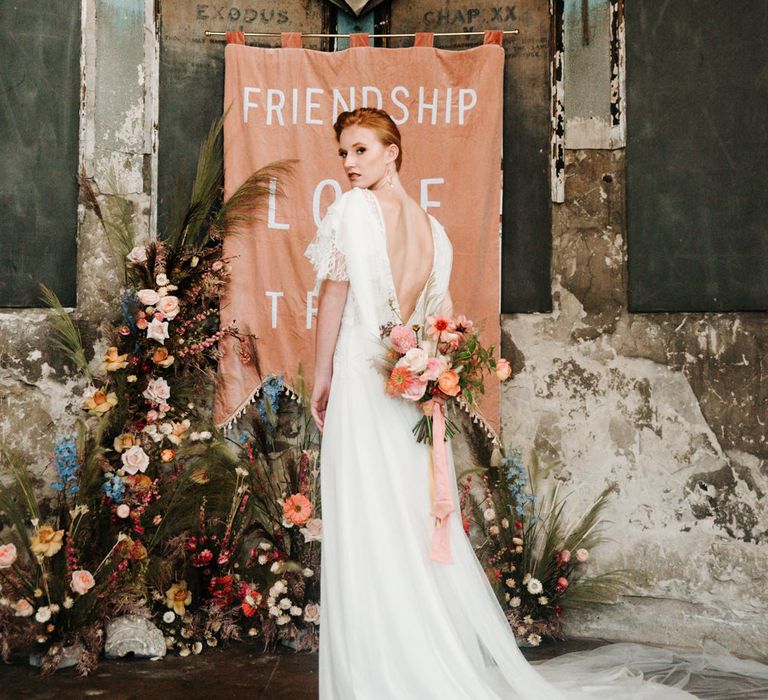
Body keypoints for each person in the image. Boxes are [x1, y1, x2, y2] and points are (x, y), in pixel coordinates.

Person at [303, 107, 768, 699]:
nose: (347, 164)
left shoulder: (352, 211)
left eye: (361, 150)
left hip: (370, 391)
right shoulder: (433, 231)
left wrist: (322, 377)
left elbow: (333, 299)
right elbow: (434, 326)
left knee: (371, 522)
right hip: (406, 396)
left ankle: (379, 674)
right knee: (405, 523)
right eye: (342, 152)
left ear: (393, 151)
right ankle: (416, 660)